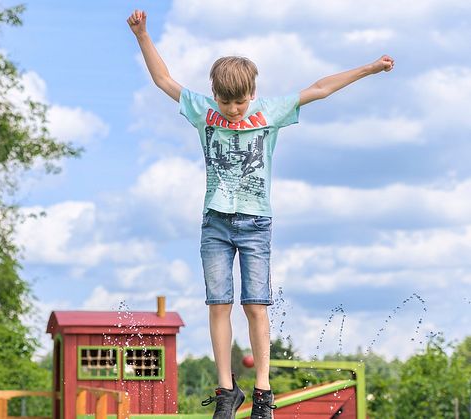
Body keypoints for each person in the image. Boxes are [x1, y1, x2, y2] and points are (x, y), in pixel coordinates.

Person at [127, 9, 394, 419]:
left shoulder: (269, 112)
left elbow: (320, 88)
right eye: (225, 101)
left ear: (252, 92)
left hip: (255, 224)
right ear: (213, 93)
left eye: (239, 101)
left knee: (256, 306)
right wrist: (143, 34)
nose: (233, 110)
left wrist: (371, 68)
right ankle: (226, 391)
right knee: (218, 304)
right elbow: (164, 80)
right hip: (214, 222)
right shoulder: (203, 111)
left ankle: (263, 394)